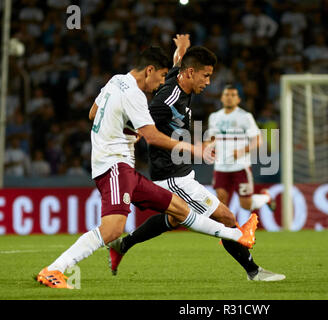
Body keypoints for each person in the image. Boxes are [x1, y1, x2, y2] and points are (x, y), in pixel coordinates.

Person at [36, 44, 257, 289]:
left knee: (180, 210)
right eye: (161, 76)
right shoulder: (136, 96)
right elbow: (152, 137)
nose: (162, 83)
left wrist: (123, 127)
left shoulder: (116, 81)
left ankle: (238, 234)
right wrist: (194, 149)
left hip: (123, 168)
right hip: (115, 165)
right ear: (149, 70)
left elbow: (92, 113)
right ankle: (54, 269)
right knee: (112, 230)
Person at [107, 35, 284, 282]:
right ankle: (254, 271)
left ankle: (122, 246)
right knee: (227, 217)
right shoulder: (165, 101)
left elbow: (177, 64)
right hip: (171, 175)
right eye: (206, 76)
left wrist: (180, 49)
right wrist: (138, 136)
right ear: (191, 73)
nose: (209, 82)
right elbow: (146, 128)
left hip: (181, 170)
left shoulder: (179, 79)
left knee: (172, 218)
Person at [207, 84, 275, 216]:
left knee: (246, 205)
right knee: (220, 202)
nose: (229, 98)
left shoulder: (245, 116)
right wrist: (206, 146)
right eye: (226, 95)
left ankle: (266, 197)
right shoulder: (214, 117)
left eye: (233, 95)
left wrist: (242, 151)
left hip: (240, 166)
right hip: (221, 166)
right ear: (221, 98)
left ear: (238, 99)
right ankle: (225, 235)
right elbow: (212, 138)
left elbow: (258, 140)